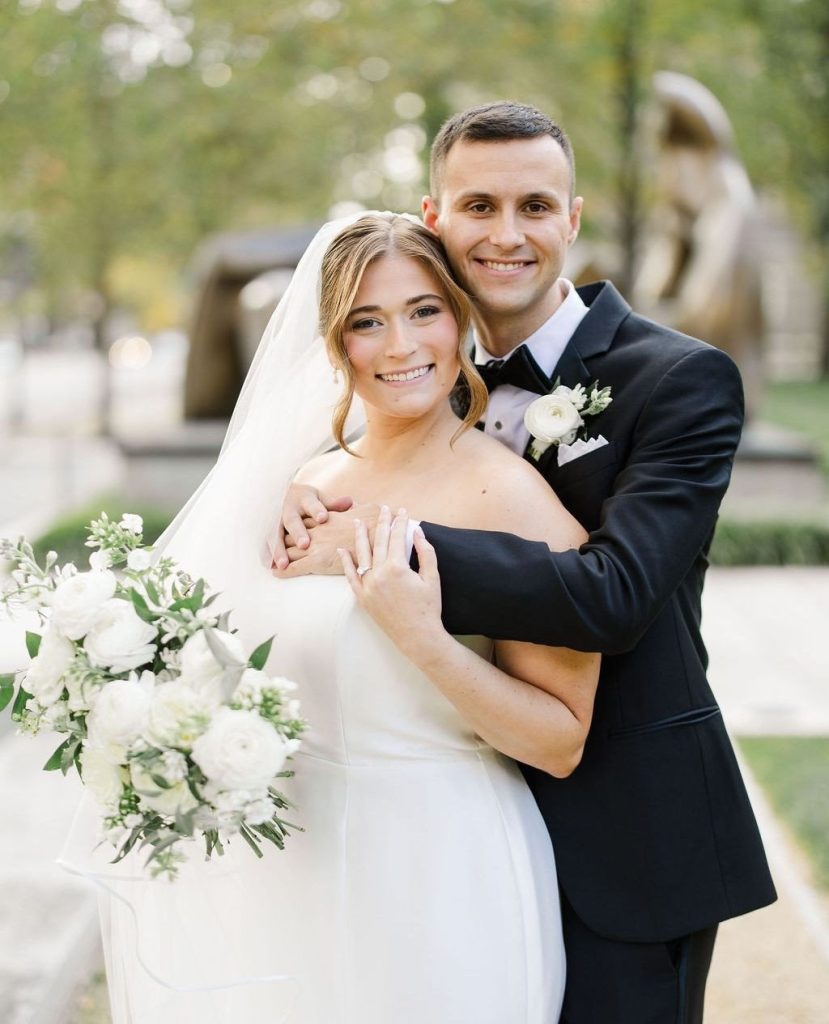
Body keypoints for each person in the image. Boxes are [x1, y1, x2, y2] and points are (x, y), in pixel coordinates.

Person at [272, 102, 777, 1024]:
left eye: (535, 207)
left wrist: (388, 546)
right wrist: (294, 500)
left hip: (626, 836)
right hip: (446, 830)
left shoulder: (678, 379)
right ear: (436, 217)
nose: (507, 236)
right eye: (478, 207)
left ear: (571, 220)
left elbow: (615, 596)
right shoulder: (413, 357)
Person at [86, 212, 600, 1023]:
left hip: (440, 880)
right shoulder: (310, 483)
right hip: (292, 873)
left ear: (460, 317)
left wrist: (421, 636)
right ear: (333, 343)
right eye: (366, 322)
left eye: (423, 311)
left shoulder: (512, 498)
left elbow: (559, 741)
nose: (400, 346)